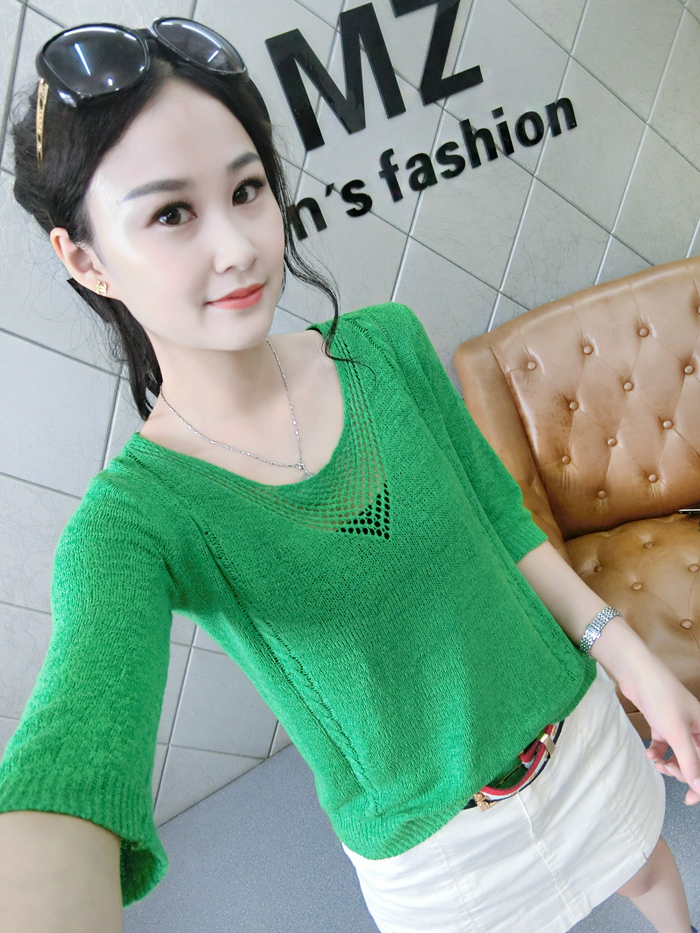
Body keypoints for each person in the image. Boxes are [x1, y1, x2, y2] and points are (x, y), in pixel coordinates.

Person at [0, 17, 698, 933]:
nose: (238, 246)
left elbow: (504, 520)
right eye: (171, 214)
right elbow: (78, 735)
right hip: (436, 852)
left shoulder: (386, 347)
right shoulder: (136, 520)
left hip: (578, 729)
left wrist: (634, 663)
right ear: (85, 258)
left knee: (646, 863)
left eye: (247, 189)